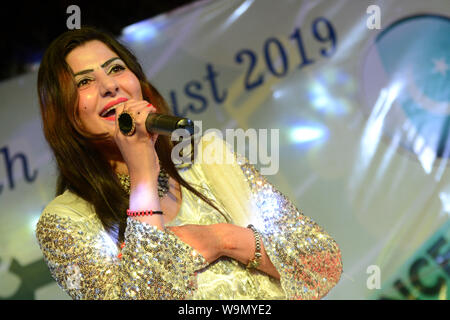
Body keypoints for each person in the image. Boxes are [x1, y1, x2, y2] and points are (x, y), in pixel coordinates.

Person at [35, 27, 343, 300]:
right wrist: (143, 173)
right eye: (85, 81)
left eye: (116, 68)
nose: (109, 85)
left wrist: (223, 239)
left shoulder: (208, 160)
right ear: (61, 112)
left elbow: (322, 262)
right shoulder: (65, 222)